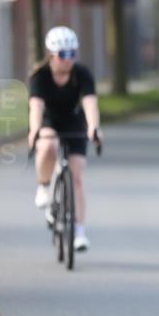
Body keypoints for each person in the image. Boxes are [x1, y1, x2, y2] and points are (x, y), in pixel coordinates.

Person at [28, 26, 101, 252]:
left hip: (72, 120)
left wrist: (94, 127)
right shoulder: (39, 76)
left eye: (72, 54)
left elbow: (89, 102)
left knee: (77, 177)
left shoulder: (82, 73)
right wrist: (35, 130)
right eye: (63, 55)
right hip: (49, 119)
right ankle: (43, 185)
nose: (68, 59)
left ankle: (79, 233)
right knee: (48, 145)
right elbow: (36, 106)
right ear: (52, 54)